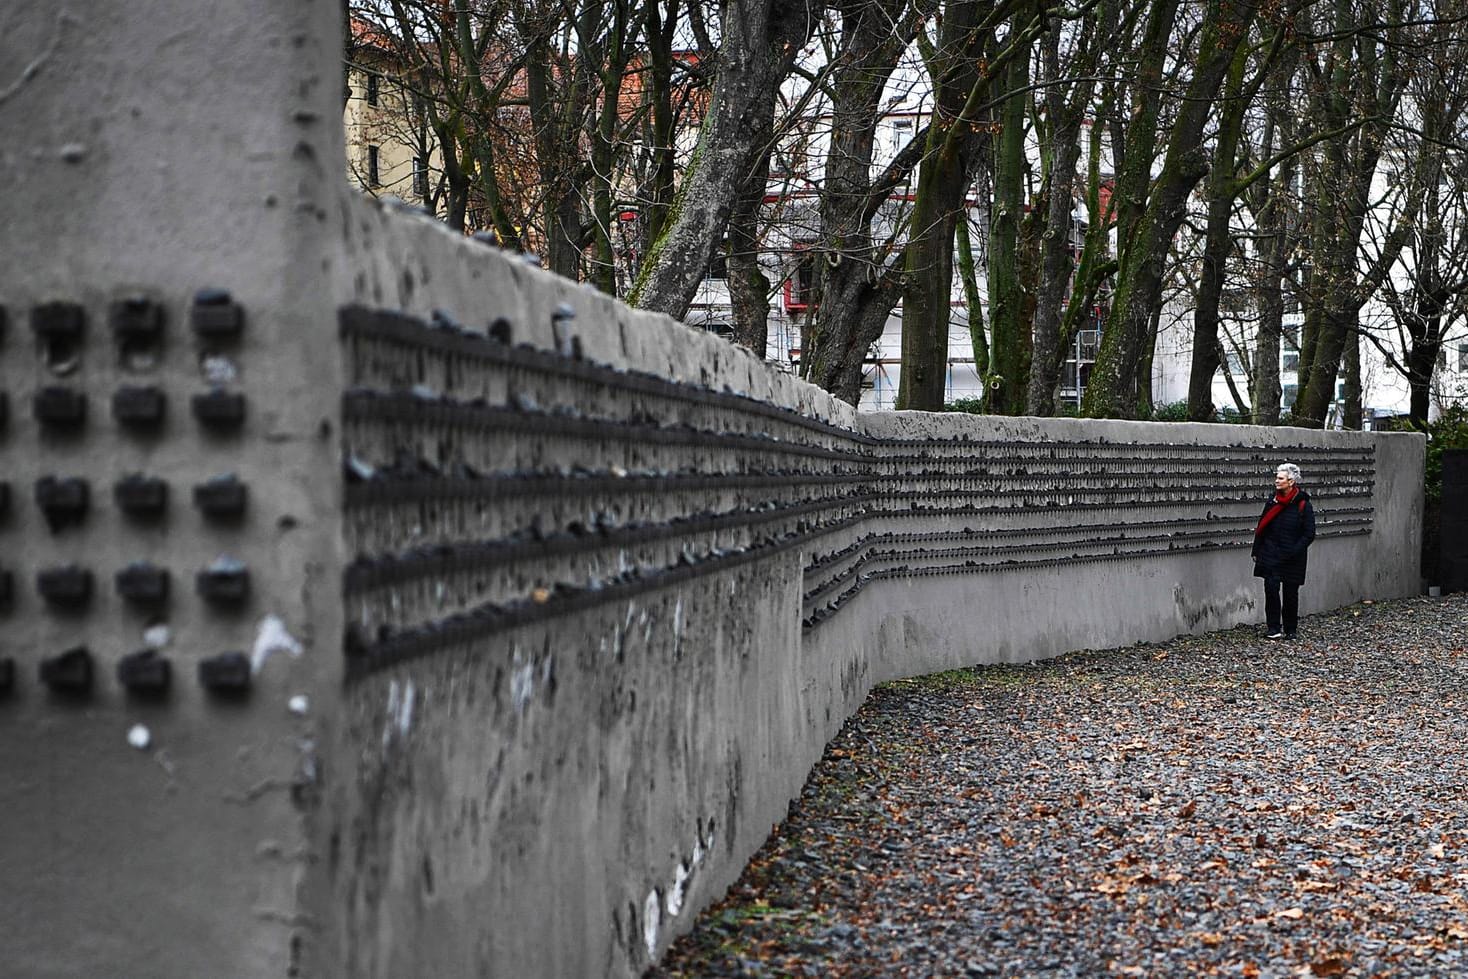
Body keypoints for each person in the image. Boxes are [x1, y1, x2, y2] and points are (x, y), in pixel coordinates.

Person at [1251, 462, 1316, 640]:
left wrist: (1295, 550)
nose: (1277, 481)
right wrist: (1256, 550)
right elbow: (1262, 526)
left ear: (1291, 481)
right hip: (1271, 554)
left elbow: (1309, 533)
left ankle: (1290, 629)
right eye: (1277, 477)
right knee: (1271, 589)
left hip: (1292, 557)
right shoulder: (1272, 501)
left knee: (1290, 593)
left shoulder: (1303, 504)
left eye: (1281, 478)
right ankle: (1273, 628)